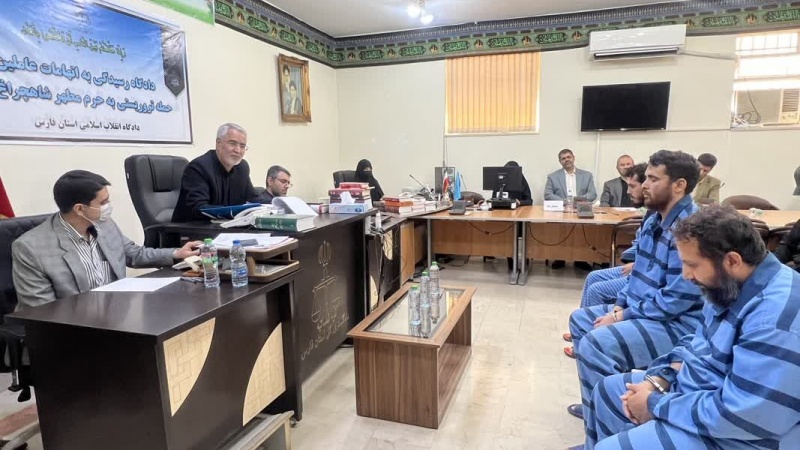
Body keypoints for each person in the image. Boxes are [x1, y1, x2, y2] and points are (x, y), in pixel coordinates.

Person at [582, 205, 800, 450]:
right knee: (606, 391)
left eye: (692, 265)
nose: (686, 275)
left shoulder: (775, 320)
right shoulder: (732, 284)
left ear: (732, 260)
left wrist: (655, 405)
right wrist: (659, 379)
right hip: (702, 393)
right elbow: (696, 342)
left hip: (742, 435)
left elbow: (746, 415)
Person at [566, 150, 704, 422]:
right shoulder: (654, 218)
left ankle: (614, 420)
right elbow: (637, 275)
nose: (644, 185)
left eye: (653, 179)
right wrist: (619, 305)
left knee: (595, 344)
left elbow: (676, 300)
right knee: (580, 320)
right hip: (648, 311)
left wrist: (622, 316)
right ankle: (600, 405)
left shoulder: (690, 228)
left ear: (679, 185)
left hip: (678, 323)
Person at [12, 170, 200, 309]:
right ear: (79, 209)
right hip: (68, 330)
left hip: (113, 314)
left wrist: (177, 253)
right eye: (103, 203)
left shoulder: (104, 223)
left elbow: (133, 254)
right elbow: (42, 311)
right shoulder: (30, 248)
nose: (108, 206)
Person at [563, 163, 649, 348]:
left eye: (632, 186)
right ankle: (583, 330)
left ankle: (588, 342)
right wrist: (634, 260)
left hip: (642, 276)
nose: (628, 191)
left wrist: (638, 264)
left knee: (597, 290)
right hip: (637, 267)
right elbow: (640, 244)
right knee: (593, 276)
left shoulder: (670, 221)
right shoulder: (653, 214)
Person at [172, 123, 262, 222]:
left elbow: (254, 198)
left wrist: (274, 203)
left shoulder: (242, 167)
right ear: (218, 144)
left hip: (226, 225)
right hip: (192, 227)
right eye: (232, 143)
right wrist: (233, 212)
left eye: (242, 146)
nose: (238, 150)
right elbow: (198, 208)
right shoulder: (198, 167)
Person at [545, 149, 598, 270]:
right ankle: (560, 258)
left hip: (581, 209)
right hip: (561, 210)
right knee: (560, 233)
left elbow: (592, 194)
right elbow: (547, 194)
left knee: (581, 233)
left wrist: (577, 201)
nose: (566, 160)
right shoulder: (552, 177)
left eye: (568, 157)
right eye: (563, 158)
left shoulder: (587, 175)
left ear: (573, 158)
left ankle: (580, 259)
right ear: (560, 161)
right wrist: (565, 201)